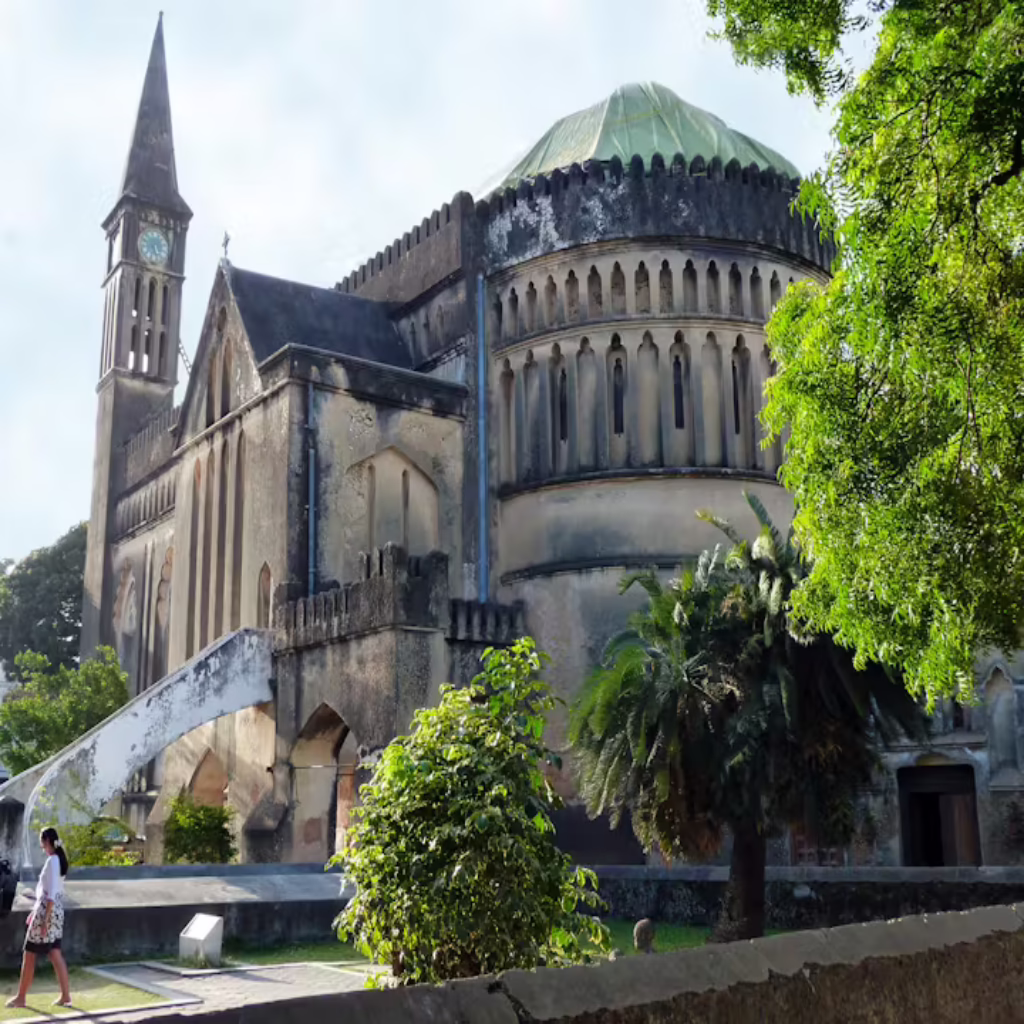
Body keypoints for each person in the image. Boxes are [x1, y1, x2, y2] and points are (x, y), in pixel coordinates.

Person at [5, 827, 71, 1009]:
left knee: (30, 953)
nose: (41, 845)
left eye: (42, 841)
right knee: (54, 952)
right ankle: (65, 996)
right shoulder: (58, 861)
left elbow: (49, 895)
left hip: (47, 911)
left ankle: (21, 997)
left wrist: (43, 920)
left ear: (48, 841)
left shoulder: (52, 862)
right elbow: (52, 893)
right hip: (54, 910)